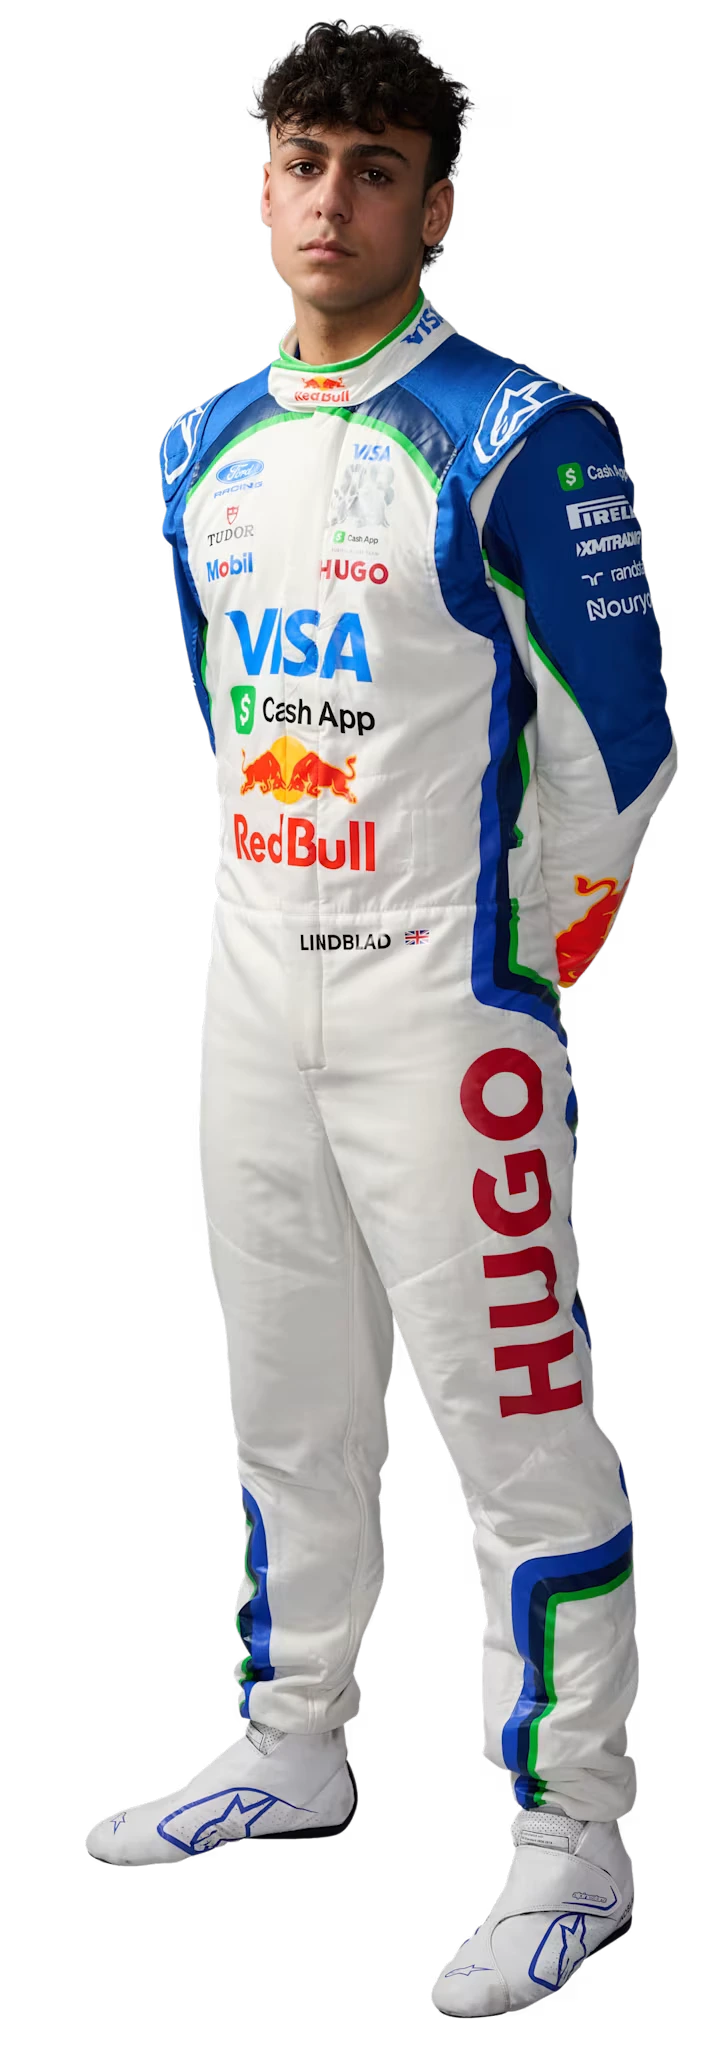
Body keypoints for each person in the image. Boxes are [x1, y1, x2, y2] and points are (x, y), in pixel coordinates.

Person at [86, 19, 676, 2018]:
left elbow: (625, 751)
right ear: (259, 186)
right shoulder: (198, 447)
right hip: (252, 975)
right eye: (300, 159)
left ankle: (573, 1832)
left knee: (517, 1425)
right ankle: (295, 1741)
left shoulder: (525, 433)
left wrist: (515, 963)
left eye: (374, 167)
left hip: (447, 990)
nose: (329, 199)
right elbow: (225, 711)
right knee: (287, 1399)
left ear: (437, 208)